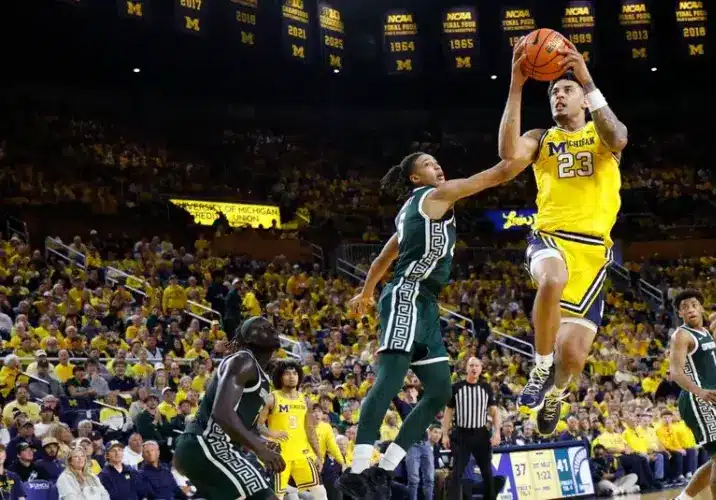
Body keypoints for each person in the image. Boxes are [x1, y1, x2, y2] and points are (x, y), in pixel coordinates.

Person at [336, 76, 530, 499]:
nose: (437, 167)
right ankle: (355, 470)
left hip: (425, 303)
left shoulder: (412, 212)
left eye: (436, 162)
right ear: (413, 177)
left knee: (442, 390)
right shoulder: (432, 197)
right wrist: (527, 151)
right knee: (388, 382)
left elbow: (385, 254)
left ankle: (384, 469)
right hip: (406, 294)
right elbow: (495, 174)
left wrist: (367, 290)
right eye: (427, 163)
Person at [499, 38, 629, 435]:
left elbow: (620, 137)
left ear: (584, 100)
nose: (559, 95)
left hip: (593, 251)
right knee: (552, 278)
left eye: (566, 89)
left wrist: (587, 79)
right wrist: (516, 85)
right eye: (555, 91)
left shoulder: (602, 136)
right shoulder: (542, 138)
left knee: (572, 356)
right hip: (551, 236)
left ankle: (555, 396)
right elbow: (507, 153)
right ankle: (539, 367)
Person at [174, 316, 286, 500]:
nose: (271, 329)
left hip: (210, 447)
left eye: (271, 326)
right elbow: (222, 413)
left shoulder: (261, 375)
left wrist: (262, 441)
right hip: (206, 444)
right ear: (249, 338)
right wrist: (259, 448)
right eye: (263, 327)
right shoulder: (243, 361)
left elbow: (241, 423)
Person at [668, 289, 716, 500]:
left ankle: (683, 499)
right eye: (685, 307)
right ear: (680, 314)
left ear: (701, 308)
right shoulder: (681, 335)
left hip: (710, 399)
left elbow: (707, 367)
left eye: (694, 304)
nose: (690, 309)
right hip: (697, 400)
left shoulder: (706, 332)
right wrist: (700, 391)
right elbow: (675, 372)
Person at [259, 360, 326, 500]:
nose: (291, 376)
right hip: (279, 456)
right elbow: (257, 425)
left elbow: (310, 430)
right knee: (276, 496)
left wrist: (319, 455)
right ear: (280, 377)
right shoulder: (272, 398)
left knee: (320, 491)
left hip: (302, 455)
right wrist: (271, 433)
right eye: (287, 373)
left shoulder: (305, 400)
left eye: (295, 373)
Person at [441, 357, 500, 500]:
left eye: (476, 365)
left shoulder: (486, 387)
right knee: (457, 472)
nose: (474, 368)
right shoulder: (456, 387)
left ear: (481, 369)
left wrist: (497, 432)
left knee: (487, 471)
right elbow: (448, 412)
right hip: (461, 434)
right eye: (471, 365)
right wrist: (445, 434)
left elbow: (494, 411)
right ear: (467, 368)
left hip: (481, 433)